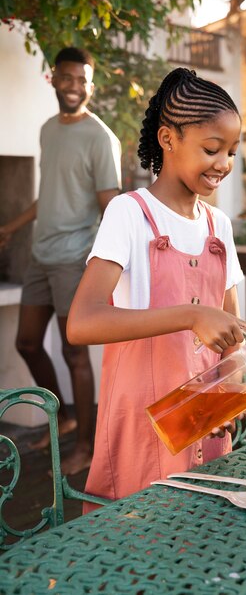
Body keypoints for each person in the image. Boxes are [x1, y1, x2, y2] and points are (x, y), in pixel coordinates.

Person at [66, 67, 246, 510]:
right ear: (168, 140)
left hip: (205, 423)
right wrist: (190, 315)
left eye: (231, 151)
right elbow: (82, 322)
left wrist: (235, 387)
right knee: (140, 548)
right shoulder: (128, 213)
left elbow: (232, 334)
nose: (224, 164)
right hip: (140, 424)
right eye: (212, 149)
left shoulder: (218, 226)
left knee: (197, 543)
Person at [0, 47, 121, 475]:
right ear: (54, 79)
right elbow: (48, 194)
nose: (73, 87)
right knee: (27, 343)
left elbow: (112, 205)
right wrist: (11, 227)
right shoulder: (48, 129)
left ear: (92, 84)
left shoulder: (101, 137)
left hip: (74, 259)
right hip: (40, 254)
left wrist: (110, 263)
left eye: (81, 80)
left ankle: (85, 447)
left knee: (75, 354)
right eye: (66, 78)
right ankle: (66, 417)